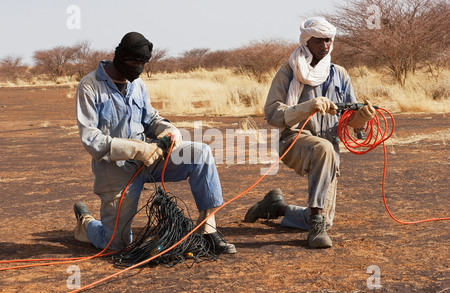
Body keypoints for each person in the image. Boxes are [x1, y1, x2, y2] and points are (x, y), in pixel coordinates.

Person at [73, 31, 235, 254]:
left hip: (152, 159)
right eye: (133, 62)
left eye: (143, 63)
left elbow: (151, 120)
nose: (138, 68)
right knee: (116, 244)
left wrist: (169, 130)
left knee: (201, 153)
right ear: (119, 56)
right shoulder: (90, 86)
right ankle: (86, 223)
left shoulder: (137, 85)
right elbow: (91, 140)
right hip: (116, 169)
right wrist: (139, 149)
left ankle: (207, 230)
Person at [244, 17, 375, 248]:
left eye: (328, 40)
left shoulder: (340, 74)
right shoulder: (289, 71)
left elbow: (350, 124)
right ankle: (315, 221)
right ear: (306, 41)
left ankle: (276, 207)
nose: (324, 46)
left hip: (329, 148)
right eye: (318, 41)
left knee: (329, 222)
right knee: (322, 151)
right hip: (294, 140)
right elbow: (273, 114)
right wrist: (308, 107)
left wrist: (362, 118)